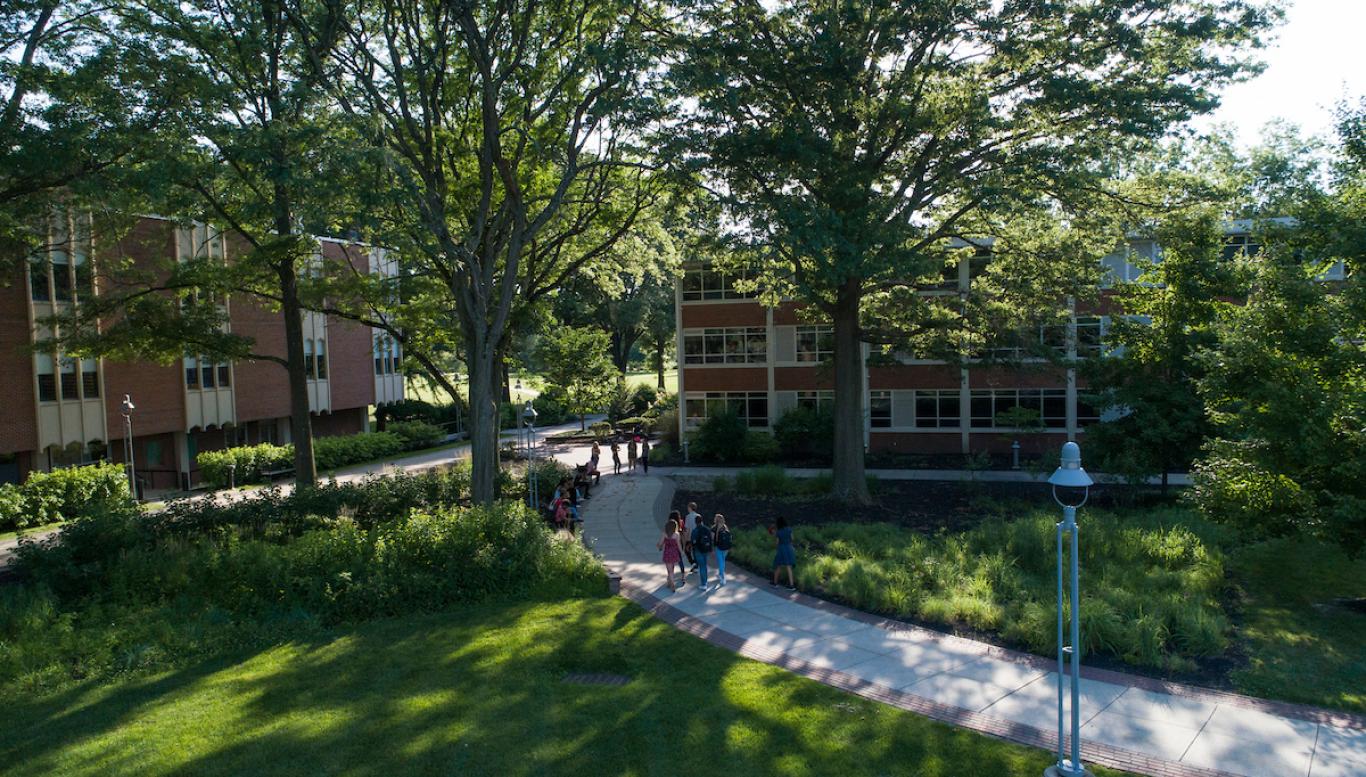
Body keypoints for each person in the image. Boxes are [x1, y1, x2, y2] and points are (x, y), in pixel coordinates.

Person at [657, 511, 686, 592]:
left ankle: (671, 582)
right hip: (674, 552)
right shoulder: (677, 534)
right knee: (672, 567)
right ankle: (670, 581)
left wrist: (659, 546)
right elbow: (679, 545)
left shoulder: (664, 534)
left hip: (667, 552)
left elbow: (660, 543)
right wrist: (681, 552)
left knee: (669, 570)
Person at [770, 515, 796, 590]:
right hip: (789, 548)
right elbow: (792, 538)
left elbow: (777, 543)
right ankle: (792, 585)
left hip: (781, 549)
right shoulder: (789, 529)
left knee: (778, 566)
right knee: (789, 567)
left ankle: (775, 583)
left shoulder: (779, 532)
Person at [690, 513, 714, 588]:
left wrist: (692, 548)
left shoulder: (695, 530)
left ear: (695, 522)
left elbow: (693, 541)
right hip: (705, 549)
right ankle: (705, 581)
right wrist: (710, 549)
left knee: (702, 566)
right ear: (702, 521)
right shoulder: (707, 529)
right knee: (704, 565)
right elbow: (710, 539)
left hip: (698, 550)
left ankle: (704, 584)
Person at [712, 513, 732, 587]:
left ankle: (722, 577)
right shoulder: (725, 527)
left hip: (718, 547)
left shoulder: (714, 528)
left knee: (720, 562)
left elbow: (712, 538)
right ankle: (720, 574)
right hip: (726, 547)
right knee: (722, 561)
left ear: (716, 520)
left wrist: (712, 547)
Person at [685, 502, 702, 571]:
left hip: (690, 536)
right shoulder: (699, 516)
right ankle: (696, 565)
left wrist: (686, 538)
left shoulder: (688, 517)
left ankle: (693, 563)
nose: (687, 509)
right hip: (698, 536)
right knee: (695, 551)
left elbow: (687, 528)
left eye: (688, 507)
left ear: (690, 508)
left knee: (687, 551)